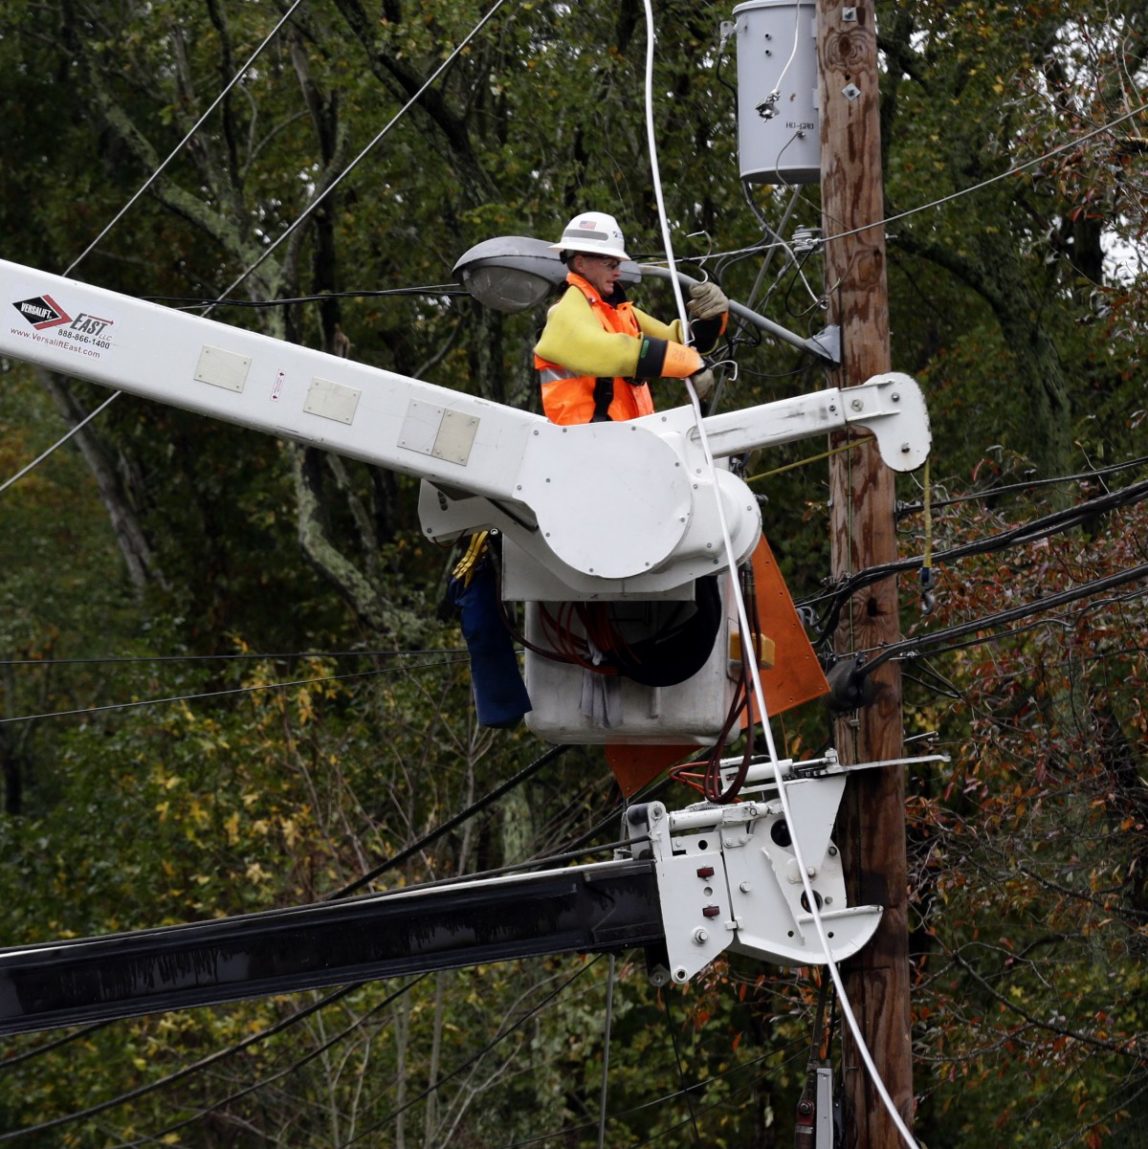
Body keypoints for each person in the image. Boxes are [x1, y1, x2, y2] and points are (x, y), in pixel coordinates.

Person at [533, 211, 729, 425]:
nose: (618, 272)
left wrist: (713, 319)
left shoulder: (617, 311)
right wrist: (688, 363)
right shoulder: (565, 312)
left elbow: (678, 341)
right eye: (611, 264)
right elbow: (612, 351)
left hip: (627, 440)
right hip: (584, 444)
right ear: (580, 264)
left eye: (618, 264)